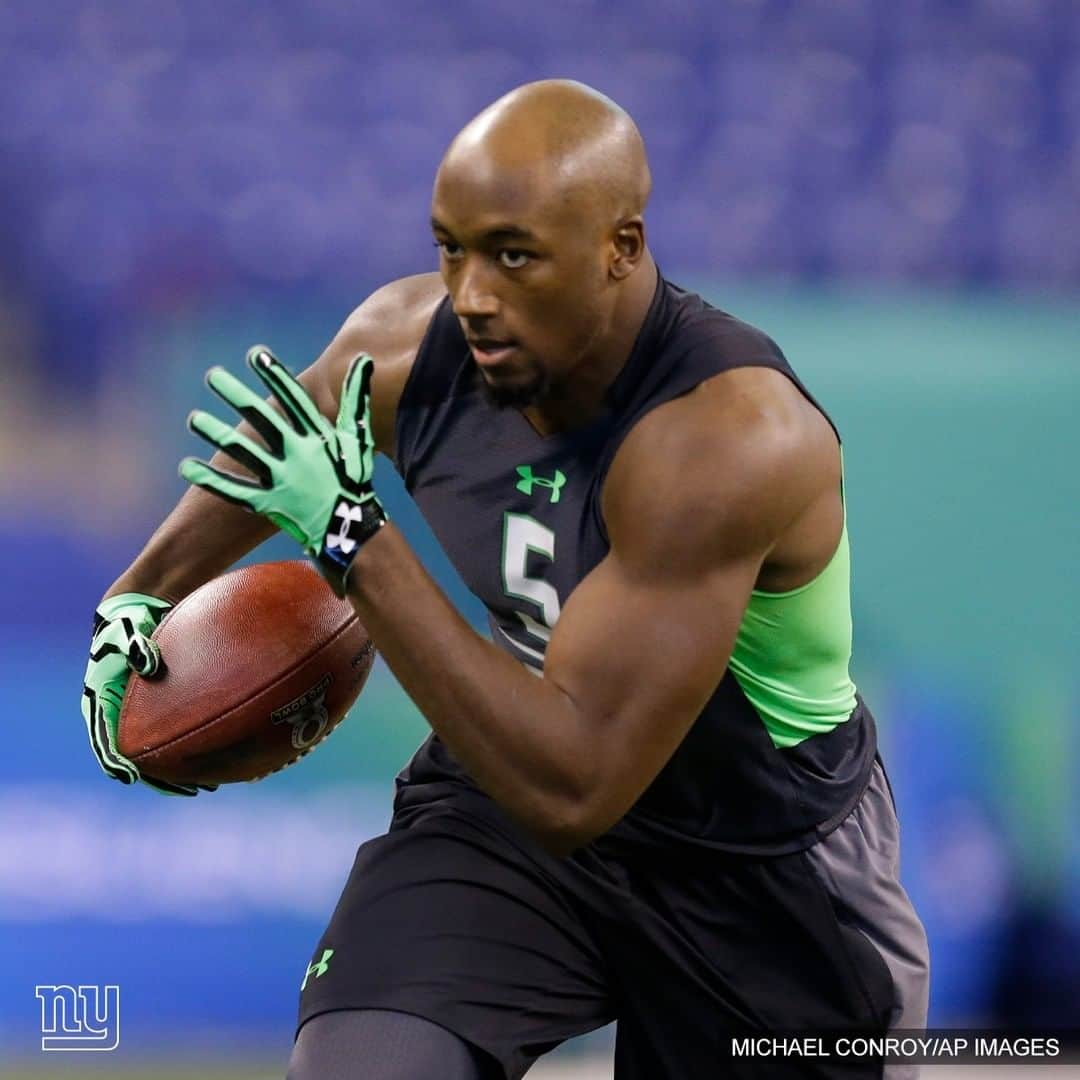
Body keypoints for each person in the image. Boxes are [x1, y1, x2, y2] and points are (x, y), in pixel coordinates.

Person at [81, 80, 929, 1079]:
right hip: (503, 801)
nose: (473, 293)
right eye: (453, 248)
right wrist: (136, 596)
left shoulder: (728, 439)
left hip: (754, 858)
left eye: (514, 256)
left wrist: (354, 535)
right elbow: (283, 442)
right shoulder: (401, 349)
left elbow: (577, 786)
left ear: (622, 246)